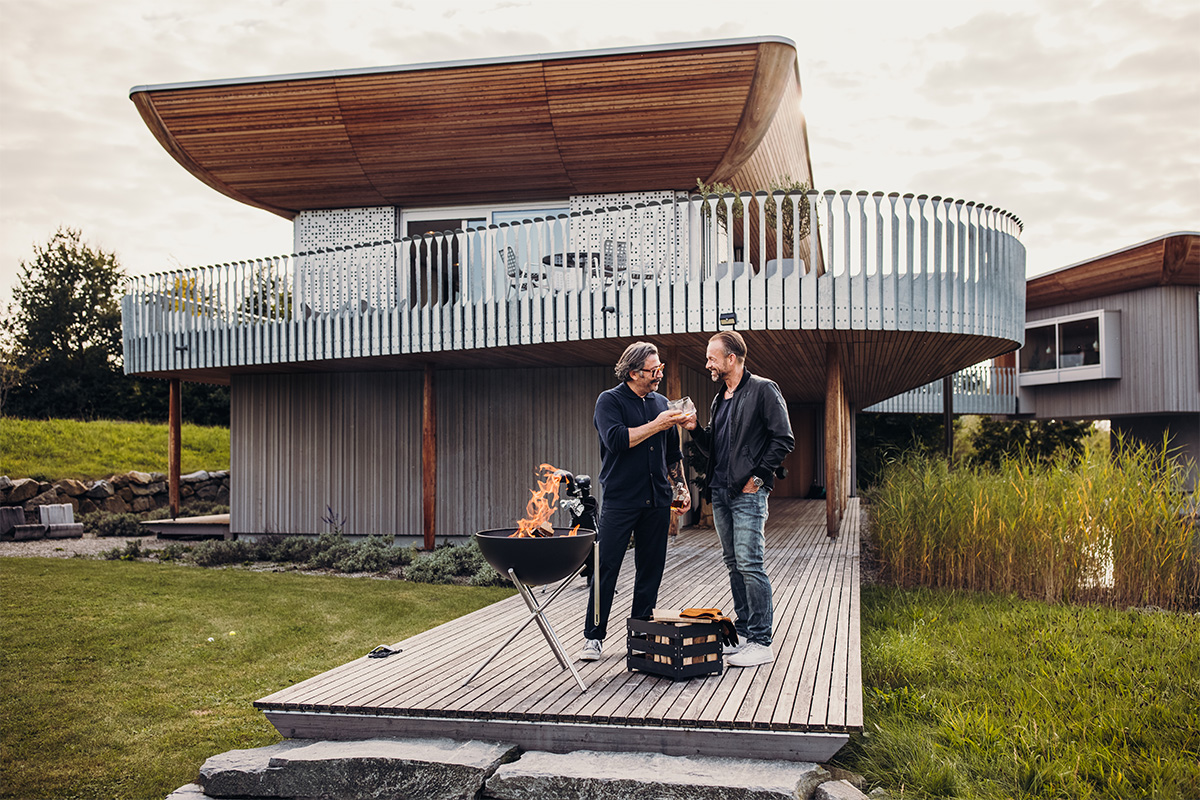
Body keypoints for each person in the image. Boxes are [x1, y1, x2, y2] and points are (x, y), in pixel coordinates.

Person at [684, 331, 793, 667]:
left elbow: (783, 439)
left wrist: (758, 478)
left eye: (712, 358)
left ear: (731, 358)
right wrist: (693, 427)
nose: (707, 364)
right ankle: (744, 634)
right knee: (733, 564)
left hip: (748, 494)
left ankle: (762, 641)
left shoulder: (763, 390)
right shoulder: (720, 399)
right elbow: (713, 449)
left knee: (750, 564)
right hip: (721, 492)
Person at [580, 342, 692, 661]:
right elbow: (616, 441)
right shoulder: (609, 401)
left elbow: (673, 454)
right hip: (620, 499)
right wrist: (659, 423)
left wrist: (681, 489)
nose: (659, 375)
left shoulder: (661, 402)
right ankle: (593, 636)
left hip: (657, 499)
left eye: (660, 369)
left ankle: (641, 632)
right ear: (633, 373)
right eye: (653, 370)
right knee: (607, 567)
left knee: (651, 568)